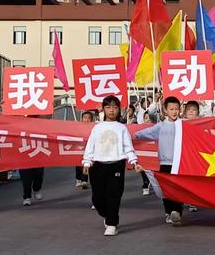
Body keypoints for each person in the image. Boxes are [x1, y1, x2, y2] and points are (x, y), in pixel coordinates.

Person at [82, 95, 142, 236]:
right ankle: (107, 214)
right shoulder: (97, 128)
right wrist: (86, 162)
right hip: (98, 165)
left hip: (116, 165)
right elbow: (90, 146)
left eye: (115, 107)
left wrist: (134, 163)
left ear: (119, 110)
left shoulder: (122, 128)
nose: (112, 110)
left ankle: (111, 223)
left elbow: (128, 147)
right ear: (103, 109)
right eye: (108, 107)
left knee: (114, 195)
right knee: (97, 198)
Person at [135, 96, 184, 226]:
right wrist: (134, 134)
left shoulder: (183, 125)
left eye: (176, 109)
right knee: (166, 189)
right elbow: (147, 132)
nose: (174, 112)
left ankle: (177, 212)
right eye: (171, 109)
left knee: (179, 189)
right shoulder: (161, 126)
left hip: (179, 163)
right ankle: (169, 212)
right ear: (165, 110)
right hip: (165, 163)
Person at [183, 101, 200, 212]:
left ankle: (193, 201)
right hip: (184, 156)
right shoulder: (180, 123)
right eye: (189, 110)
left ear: (198, 112)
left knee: (194, 180)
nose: (191, 112)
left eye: (193, 110)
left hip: (196, 156)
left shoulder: (202, 123)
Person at [76, 111, 94, 189]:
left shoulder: (94, 127)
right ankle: (78, 179)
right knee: (78, 165)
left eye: (89, 118)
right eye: (85, 118)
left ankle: (84, 180)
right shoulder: (78, 127)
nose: (86, 120)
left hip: (88, 149)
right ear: (82, 119)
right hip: (79, 148)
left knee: (87, 164)